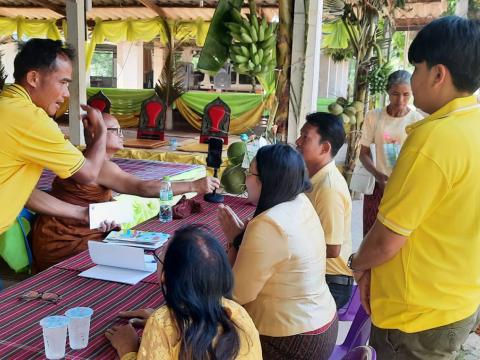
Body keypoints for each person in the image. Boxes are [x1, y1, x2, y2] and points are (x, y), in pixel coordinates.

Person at [350, 16, 480, 359]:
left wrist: (358, 263)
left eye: (417, 70)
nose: (412, 81)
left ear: (438, 74)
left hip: (416, 317)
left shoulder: (433, 139)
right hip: (459, 302)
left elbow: (386, 239)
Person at [31, 113, 220, 271]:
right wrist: (193, 186)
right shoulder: (101, 167)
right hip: (65, 241)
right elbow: (142, 188)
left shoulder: (81, 160)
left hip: (56, 233)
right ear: (98, 133)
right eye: (115, 131)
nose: (122, 135)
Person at [218, 144, 337, 360]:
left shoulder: (269, 224)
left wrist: (235, 242)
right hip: (322, 324)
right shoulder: (300, 202)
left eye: (250, 173)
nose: (245, 179)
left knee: (204, 341)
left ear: (267, 181)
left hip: (292, 341)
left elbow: (236, 294)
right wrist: (240, 239)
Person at [105, 225, 262, 359]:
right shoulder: (239, 313)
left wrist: (127, 348)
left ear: (165, 276)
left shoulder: (162, 323)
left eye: (160, 257)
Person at [0, 38, 107, 235]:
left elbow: (23, 192)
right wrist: (101, 131)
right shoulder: (31, 120)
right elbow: (89, 173)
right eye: (63, 83)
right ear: (34, 78)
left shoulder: (7, 105)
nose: (66, 94)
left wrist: (82, 213)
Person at [296, 112, 353, 309]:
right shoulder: (314, 177)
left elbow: (332, 248)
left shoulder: (329, 188)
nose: (297, 141)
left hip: (331, 281)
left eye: (305, 137)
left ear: (325, 148)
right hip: (317, 273)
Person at [359, 70, 423, 235]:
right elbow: (364, 153)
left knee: (396, 234)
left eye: (406, 95)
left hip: (404, 187)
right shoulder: (374, 116)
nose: (400, 100)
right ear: (387, 91)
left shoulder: (417, 121)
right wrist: (378, 175)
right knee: (370, 230)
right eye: (395, 94)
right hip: (377, 185)